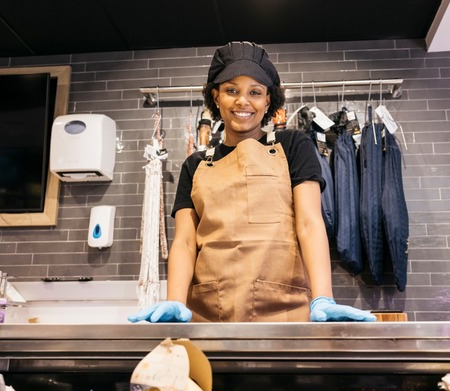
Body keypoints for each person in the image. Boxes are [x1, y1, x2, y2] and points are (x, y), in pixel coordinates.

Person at [129, 41, 374, 323]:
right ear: (216, 96)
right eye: (231, 90)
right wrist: (174, 299)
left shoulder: (293, 145)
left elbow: (309, 223)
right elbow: (184, 241)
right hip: (209, 316)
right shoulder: (194, 165)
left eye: (255, 92)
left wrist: (323, 296)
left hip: (285, 311)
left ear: (268, 100)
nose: (242, 101)